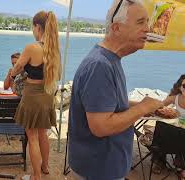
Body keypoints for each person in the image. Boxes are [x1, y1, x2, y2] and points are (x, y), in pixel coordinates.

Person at [68, 0, 164, 179]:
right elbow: (101, 126)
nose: (148, 28)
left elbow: (107, 104)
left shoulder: (109, 60)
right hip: (97, 171)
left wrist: (143, 105)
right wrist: (141, 108)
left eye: (147, 22)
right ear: (117, 28)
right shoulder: (100, 65)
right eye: (140, 22)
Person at [10, 11, 61, 180]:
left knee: (32, 137)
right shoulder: (54, 50)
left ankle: (36, 175)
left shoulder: (32, 47)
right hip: (47, 95)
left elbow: (18, 67)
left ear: (38, 27)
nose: (33, 30)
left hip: (32, 95)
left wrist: (12, 75)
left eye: (33, 27)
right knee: (42, 134)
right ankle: (45, 167)